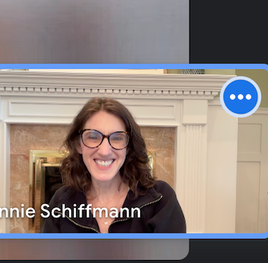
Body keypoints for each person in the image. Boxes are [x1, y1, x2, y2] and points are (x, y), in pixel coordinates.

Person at [40, 97, 185, 233]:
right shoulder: (62, 201)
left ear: (128, 146)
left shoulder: (161, 199)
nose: (104, 151)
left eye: (117, 138)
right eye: (92, 137)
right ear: (78, 144)